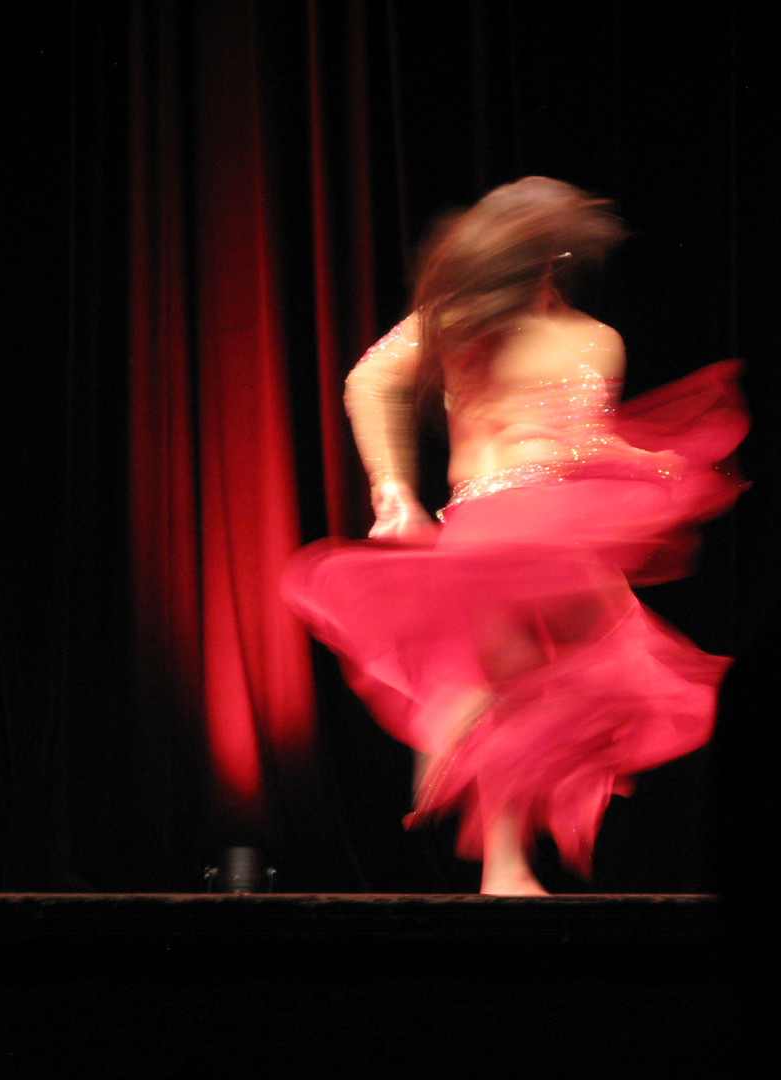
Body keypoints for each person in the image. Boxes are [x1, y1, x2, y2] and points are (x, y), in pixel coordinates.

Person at [284, 177, 747, 895]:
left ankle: (490, 814)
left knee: (528, 688)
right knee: (560, 685)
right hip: (530, 535)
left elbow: (371, 384)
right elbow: (377, 385)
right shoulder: (507, 326)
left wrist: (394, 491)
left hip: (516, 529)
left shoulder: (500, 326)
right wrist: (394, 489)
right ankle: (489, 807)